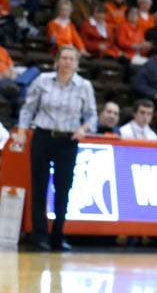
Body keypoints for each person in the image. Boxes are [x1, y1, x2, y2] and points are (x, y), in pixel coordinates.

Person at [13, 46, 97, 251]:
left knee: (63, 188)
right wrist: (23, 131)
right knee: (39, 187)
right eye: (64, 58)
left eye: (72, 59)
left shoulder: (84, 86)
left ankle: (58, 235)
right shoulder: (42, 80)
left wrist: (83, 128)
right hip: (43, 136)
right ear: (57, 61)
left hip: (68, 141)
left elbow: (92, 114)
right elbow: (28, 108)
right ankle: (39, 236)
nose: (67, 62)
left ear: (77, 63)